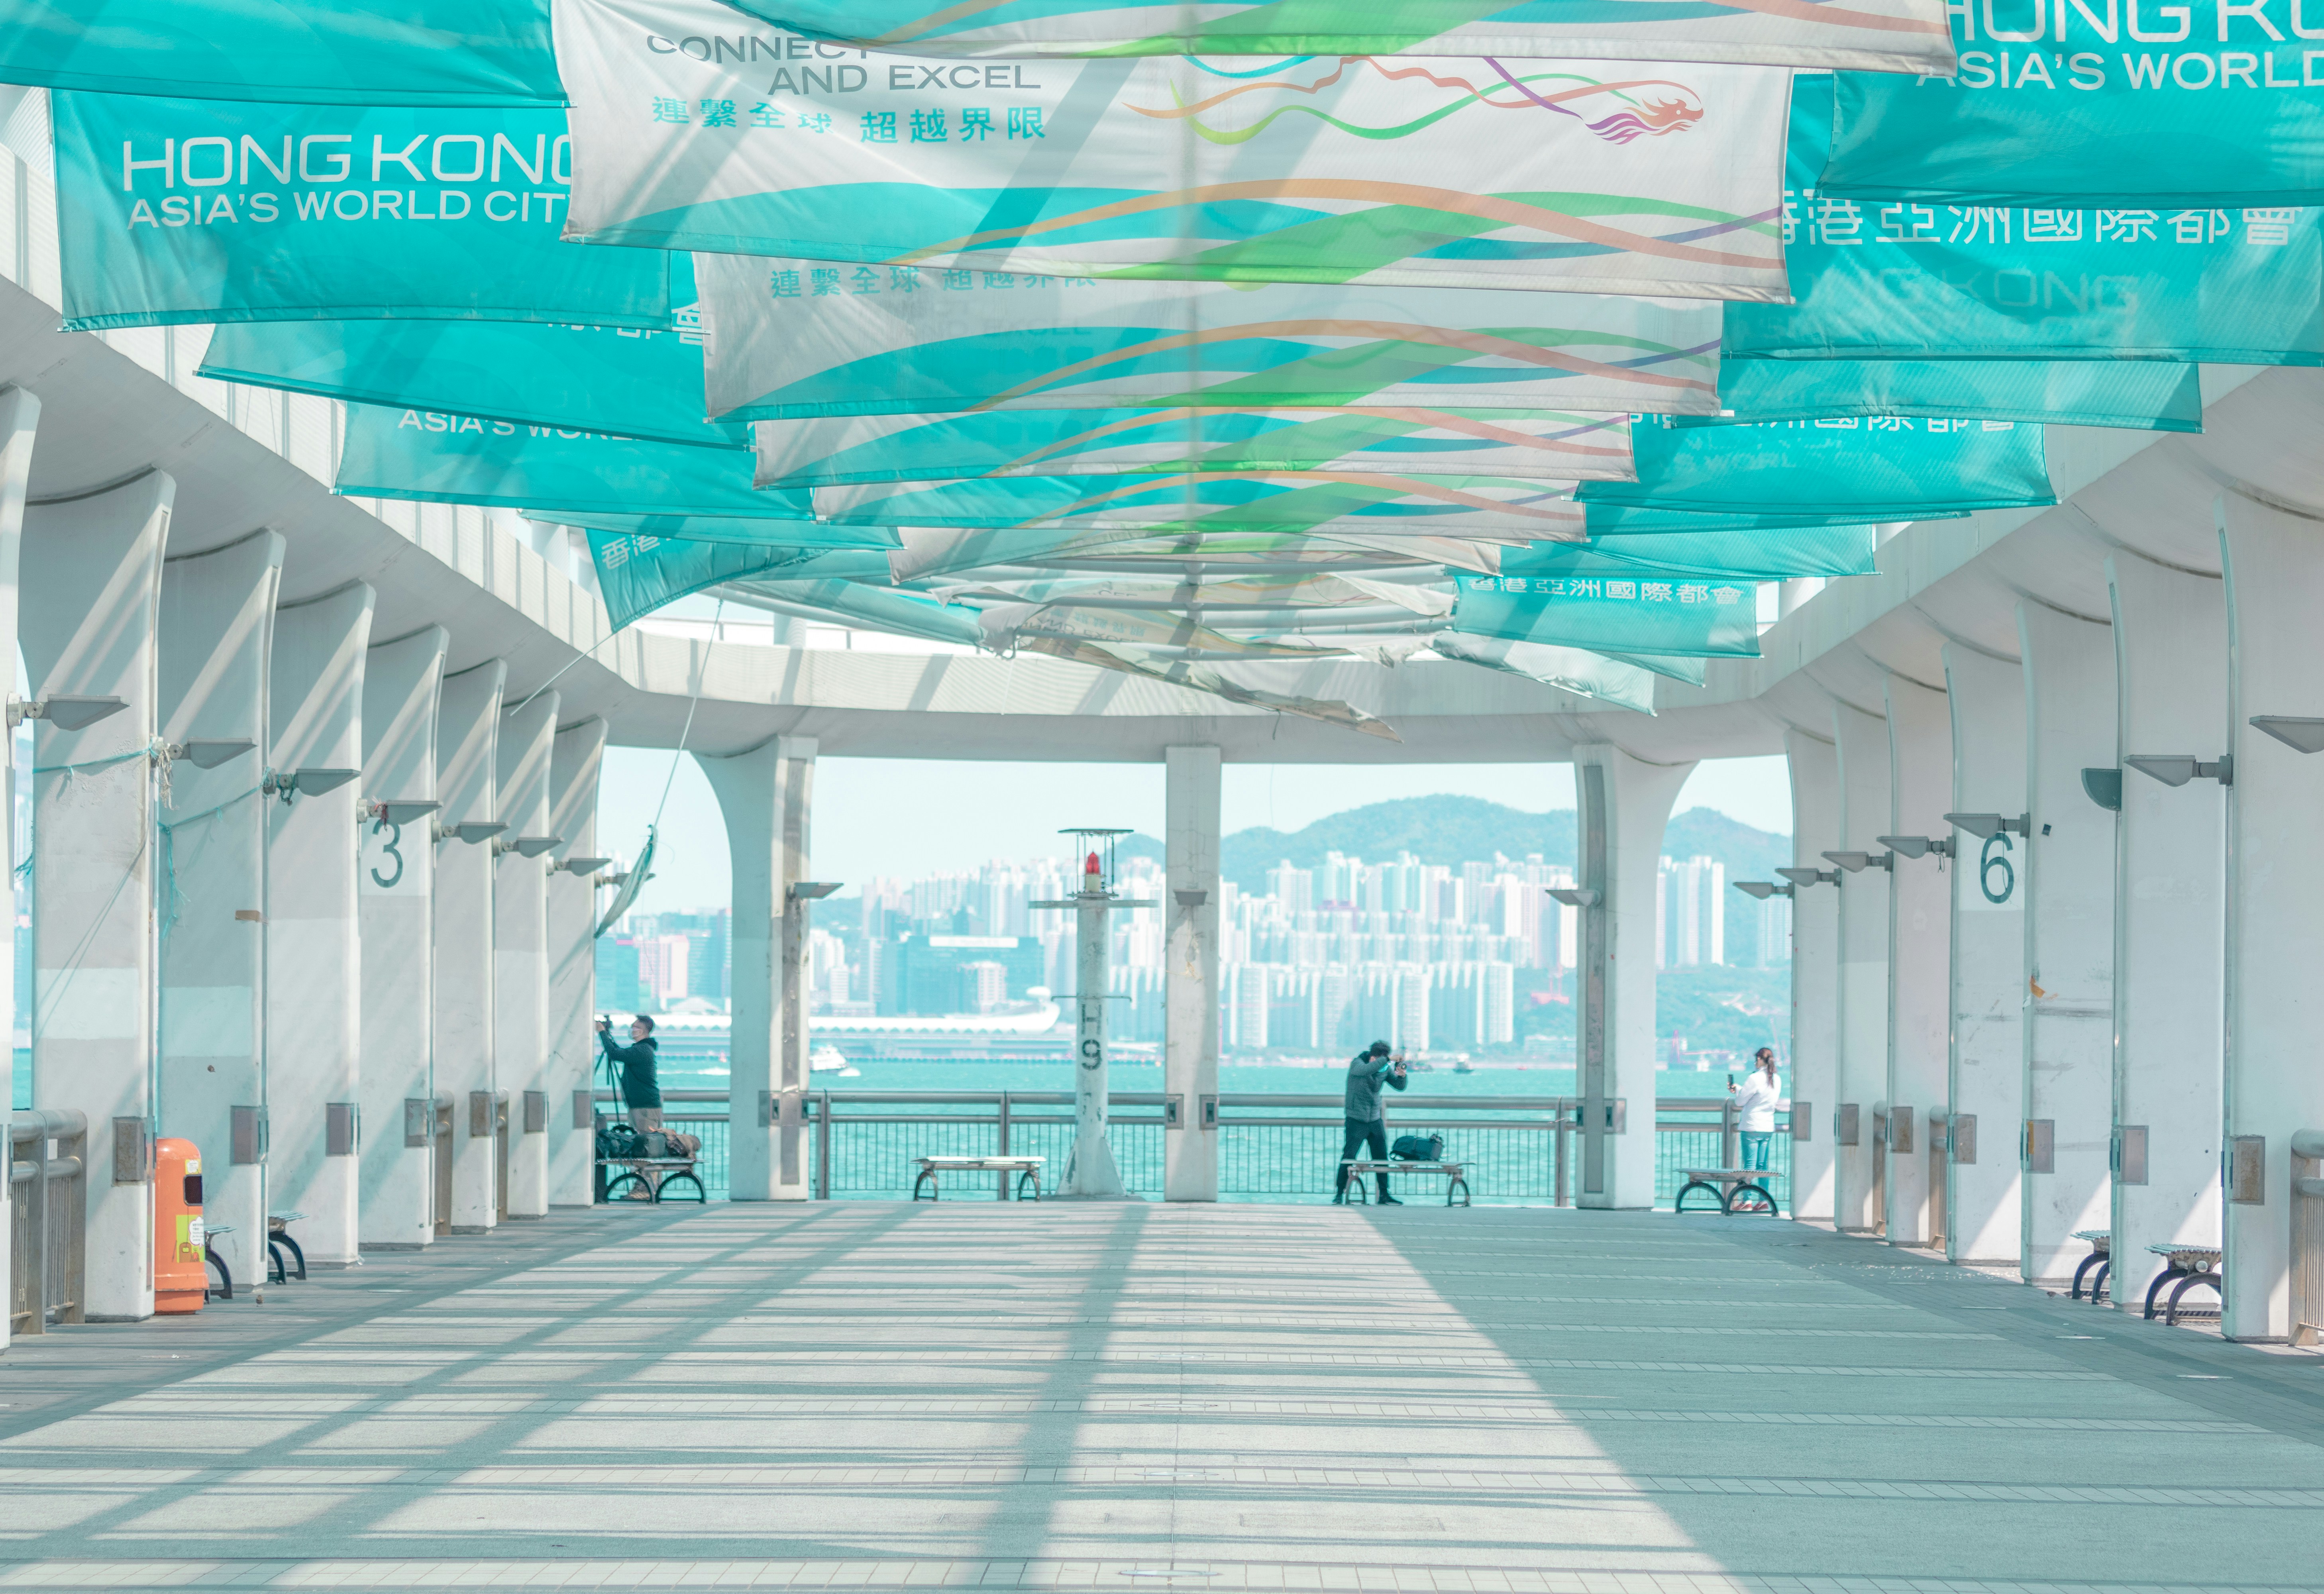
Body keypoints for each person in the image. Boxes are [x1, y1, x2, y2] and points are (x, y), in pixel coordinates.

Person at [1336, 1040, 1410, 1205]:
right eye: (1376, 1059)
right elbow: (1364, 1071)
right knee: (1349, 1157)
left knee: (1381, 1158)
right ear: (1372, 1056)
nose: (1377, 1063)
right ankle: (1339, 1193)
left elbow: (1399, 1086)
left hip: (1375, 1119)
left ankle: (1384, 1194)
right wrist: (1387, 1060)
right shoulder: (1358, 1063)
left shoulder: (1383, 1068)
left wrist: (1402, 1075)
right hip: (1356, 1119)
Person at [597, 1014, 662, 1197]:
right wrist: (607, 1034)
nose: (632, 1030)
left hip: (645, 1107)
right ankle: (645, 1187)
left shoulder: (643, 1051)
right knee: (642, 1147)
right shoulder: (640, 1050)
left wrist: (602, 1033)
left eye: (636, 1027)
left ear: (645, 1031)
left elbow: (616, 1054)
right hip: (639, 1106)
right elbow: (618, 1052)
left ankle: (646, 1189)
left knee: (647, 1149)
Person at [1730, 1048, 1781, 1170]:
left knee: (1749, 1167)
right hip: (1768, 1127)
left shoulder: (1755, 1078)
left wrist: (1738, 1090)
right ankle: (1764, 1190)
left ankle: (1748, 1190)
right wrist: (1739, 1089)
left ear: (1759, 1059)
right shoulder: (1777, 1079)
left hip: (1752, 1126)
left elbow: (1740, 1101)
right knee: (1763, 1167)